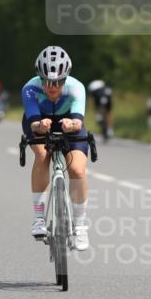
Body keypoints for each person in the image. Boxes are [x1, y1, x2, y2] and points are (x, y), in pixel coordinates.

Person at [22, 46, 90, 250]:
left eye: (58, 82)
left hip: (69, 121)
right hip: (38, 121)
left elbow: (78, 121)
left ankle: (80, 226)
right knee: (42, 154)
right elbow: (33, 122)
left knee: (77, 169)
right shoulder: (29, 89)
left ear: (66, 78)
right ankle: (39, 218)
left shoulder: (76, 88)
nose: (53, 87)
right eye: (48, 81)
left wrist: (72, 125)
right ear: (39, 78)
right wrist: (40, 126)